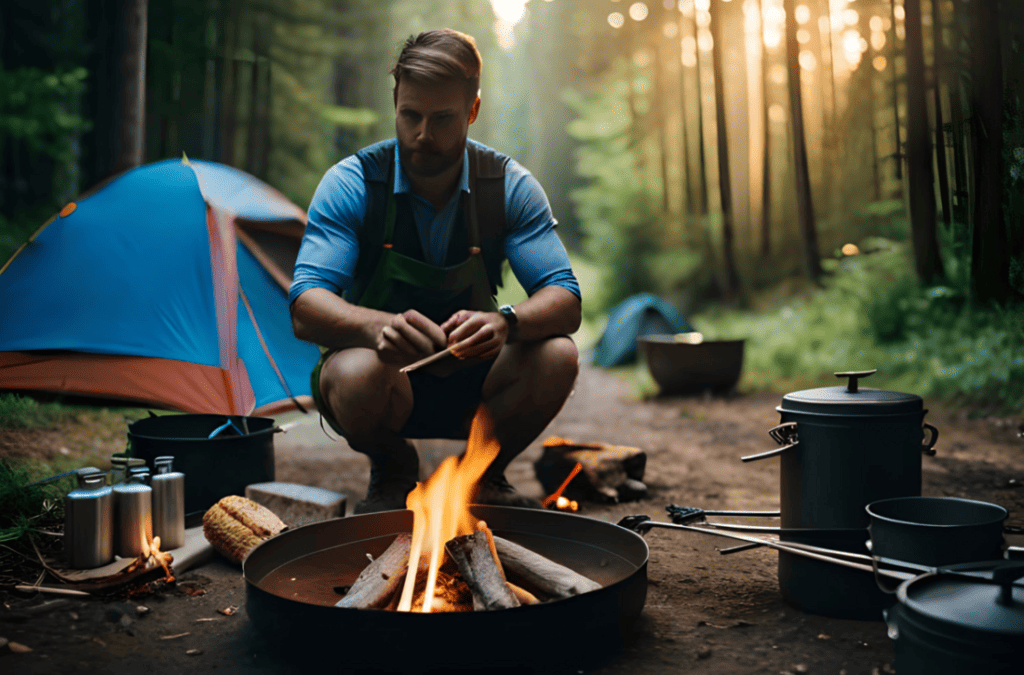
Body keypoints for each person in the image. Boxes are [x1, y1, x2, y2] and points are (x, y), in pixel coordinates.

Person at [288, 28, 582, 514]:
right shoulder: (352, 182)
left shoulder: (508, 185)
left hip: (479, 380)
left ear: (472, 110)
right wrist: (376, 326)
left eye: (442, 118)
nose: (423, 135)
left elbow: (565, 298)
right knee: (355, 370)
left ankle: (482, 477)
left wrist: (506, 322)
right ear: (396, 104)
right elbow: (305, 304)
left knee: (558, 356)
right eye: (410, 115)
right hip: (383, 379)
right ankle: (392, 468)